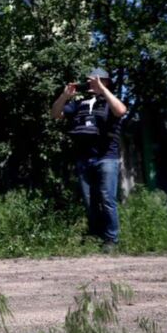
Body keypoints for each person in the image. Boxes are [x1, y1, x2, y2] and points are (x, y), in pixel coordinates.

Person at [51, 68, 127, 252]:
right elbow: (55, 114)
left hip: (106, 157)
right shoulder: (79, 103)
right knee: (89, 200)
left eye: (95, 80)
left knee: (107, 199)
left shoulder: (109, 102)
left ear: (105, 82)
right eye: (89, 80)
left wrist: (103, 90)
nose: (90, 83)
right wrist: (64, 96)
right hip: (84, 158)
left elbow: (121, 111)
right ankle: (95, 236)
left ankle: (111, 240)